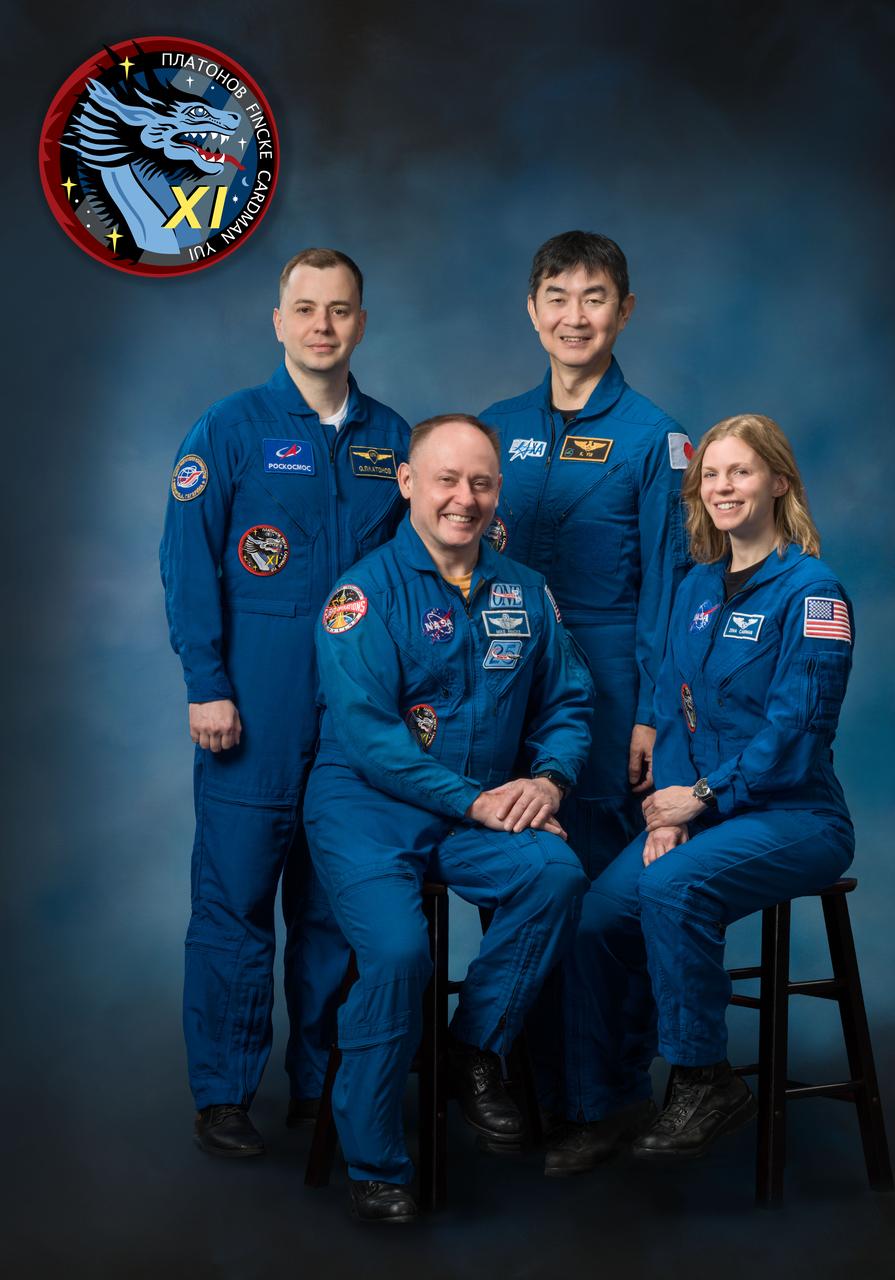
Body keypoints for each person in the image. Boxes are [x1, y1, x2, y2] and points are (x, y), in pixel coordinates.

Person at [545, 413, 856, 1176]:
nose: (721, 487)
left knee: (673, 892)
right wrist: (669, 810)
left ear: (777, 483)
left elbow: (797, 732)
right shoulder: (695, 586)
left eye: (739, 472)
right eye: (710, 475)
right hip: (709, 812)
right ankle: (613, 1099)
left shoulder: (811, 592)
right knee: (594, 916)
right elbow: (678, 703)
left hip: (794, 815)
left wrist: (701, 799)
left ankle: (703, 1079)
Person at [303, 415, 593, 1222]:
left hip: (483, 805)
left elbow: (568, 700)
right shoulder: (362, 596)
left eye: (481, 483)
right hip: (368, 808)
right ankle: (376, 1162)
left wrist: (549, 781)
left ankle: (471, 1051)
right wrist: (476, 800)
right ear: (406, 484)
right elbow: (366, 738)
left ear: (497, 491)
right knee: (398, 954)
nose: (463, 499)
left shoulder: (525, 591)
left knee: (556, 875)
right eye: (445, 480)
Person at [160, 248, 410, 1158]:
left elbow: (418, 579)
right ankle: (224, 1094)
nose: (321, 325)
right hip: (252, 712)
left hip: (356, 720)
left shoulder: (394, 441)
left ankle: (323, 1087)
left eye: (339, 309)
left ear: (360, 323)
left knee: (333, 910)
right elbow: (188, 566)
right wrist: (207, 685)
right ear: (277, 321)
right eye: (305, 308)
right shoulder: (227, 430)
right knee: (233, 903)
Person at [480, 230, 691, 1120]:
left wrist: (648, 714)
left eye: (594, 296)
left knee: (605, 895)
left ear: (624, 311)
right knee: (520, 879)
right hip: (504, 692)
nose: (575, 315)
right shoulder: (493, 429)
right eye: (557, 297)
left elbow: (672, 593)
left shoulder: (656, 439)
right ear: (531, 312)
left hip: (610, 693)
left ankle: (599, 1096)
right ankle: (513, 1081)